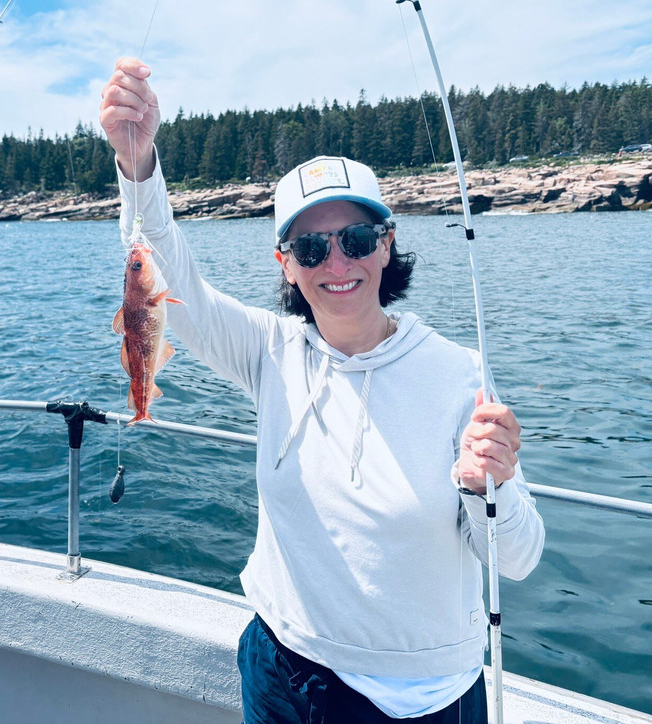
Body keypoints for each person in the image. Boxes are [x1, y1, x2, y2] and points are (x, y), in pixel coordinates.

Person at [99, 59, 545, 723]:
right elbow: (166, 276)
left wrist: (494, 485)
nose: (336, 263)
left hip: (420, 703)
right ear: (285, 264)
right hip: (278, 669)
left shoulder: (457, 375)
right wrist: (138, 164)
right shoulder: (268, 352)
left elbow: (517, 558)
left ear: (386, 246)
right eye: (311, 248)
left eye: (356, 238)